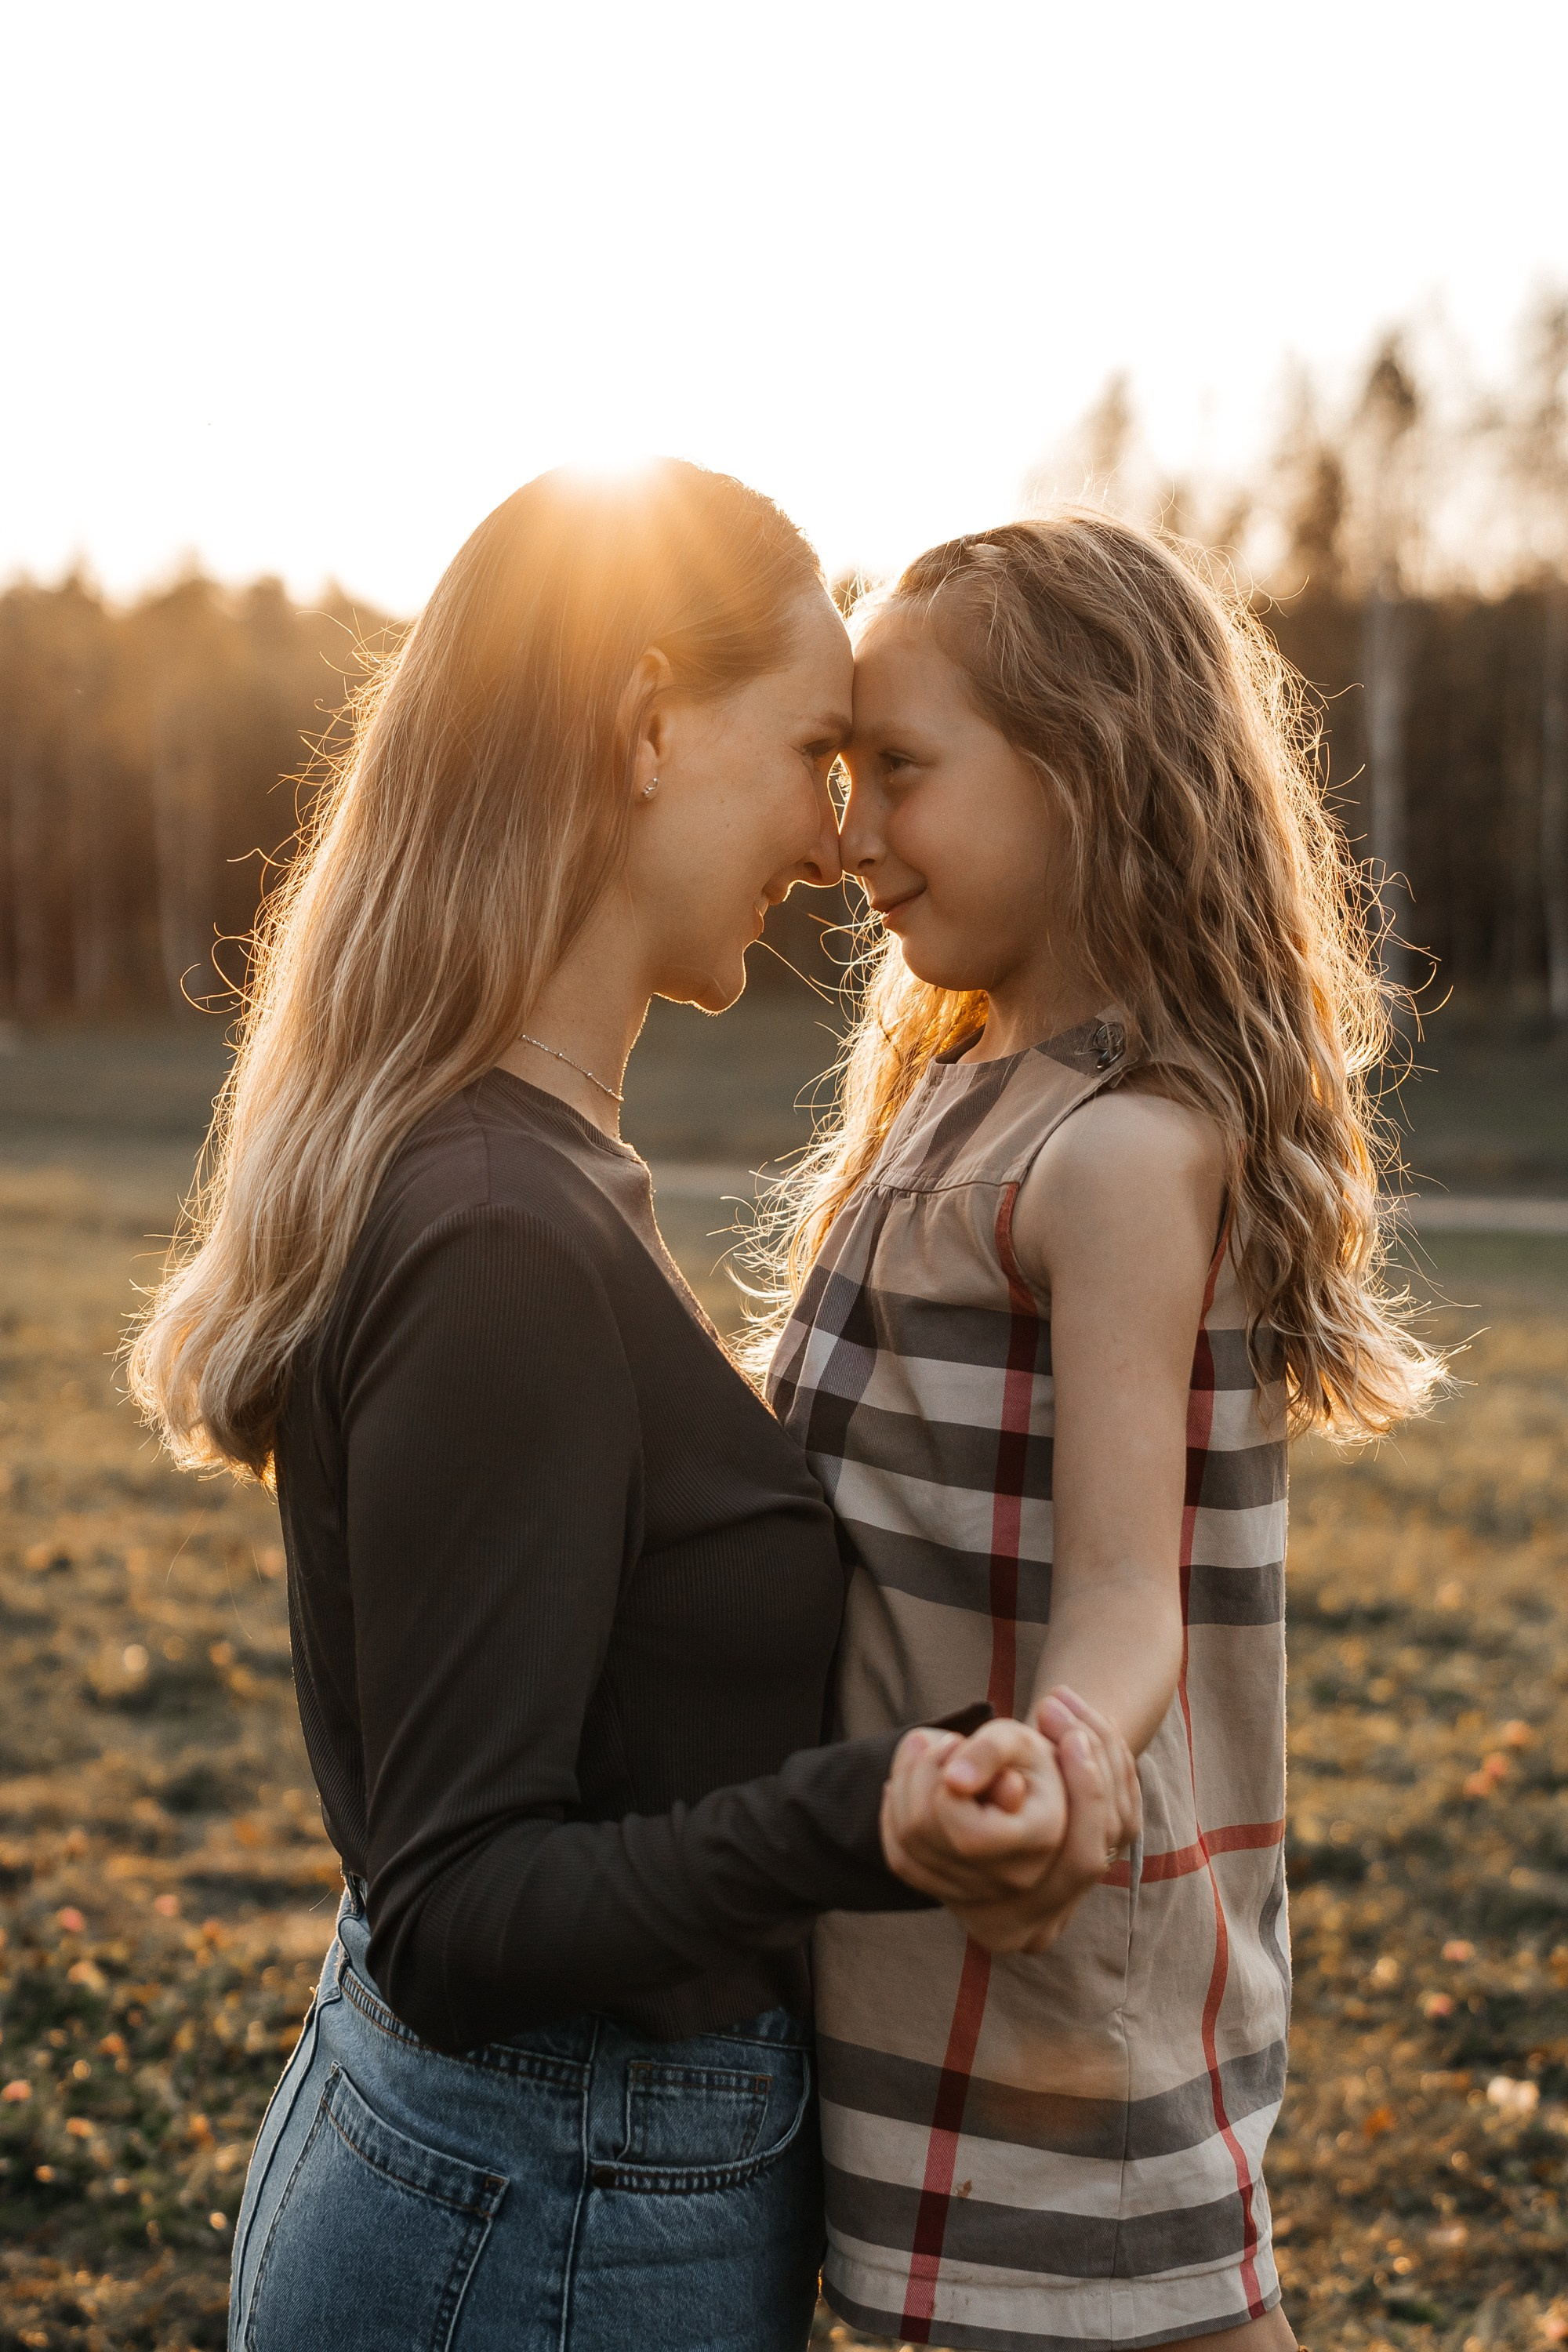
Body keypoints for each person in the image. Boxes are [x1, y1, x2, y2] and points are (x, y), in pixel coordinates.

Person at [127, 463, 1135, 2352]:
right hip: (546, 2225)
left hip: (522, 2194)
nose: (840, 845)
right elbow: (458, 1906)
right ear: (652, 725)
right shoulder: (499, 1232)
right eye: (815, 752)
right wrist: (872, 1820)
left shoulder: (525, 1170)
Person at [764, 514, 1443, 2350]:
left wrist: (1060, 1763)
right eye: (839, 776)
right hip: (917, 1937)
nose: (848, 838)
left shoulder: (1122, 1155)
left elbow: (1130, 1597)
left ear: (1088, 770)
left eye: (900, 773)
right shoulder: (955, 1090)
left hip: (1053, 1940)